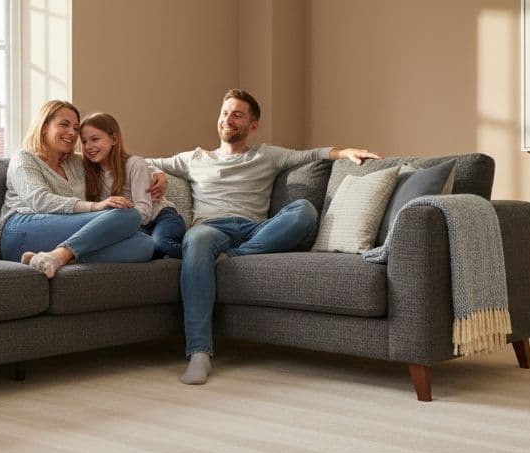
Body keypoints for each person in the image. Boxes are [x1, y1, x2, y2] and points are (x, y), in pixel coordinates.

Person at [147, 89, 380, 385]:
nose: (228, 119)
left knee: (304, 210)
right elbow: (141, 161)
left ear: (253, 125)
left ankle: (232, 257)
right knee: (196, 240)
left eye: (237, 115)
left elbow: (312, 154)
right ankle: (199, 352)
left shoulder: (266, 155)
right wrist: (159, 173)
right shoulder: (195, 158)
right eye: (225, 113)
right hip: (210, 228)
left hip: (254, 229)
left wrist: (345, 152)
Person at [0, 100, 153, 278]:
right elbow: (40, 200)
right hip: (20, 231)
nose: (72, 133)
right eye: (64, 125)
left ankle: (55, 257)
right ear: (44, 127)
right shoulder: (24, 157)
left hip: (61, 233)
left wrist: (157, 172)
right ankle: (61, 256)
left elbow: (114, 159)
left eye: (75, 128)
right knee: (129, 214)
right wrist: (94, 206)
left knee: (144, 244)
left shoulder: (75, 162)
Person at [79, 112, 186, 258]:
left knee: (160, 244)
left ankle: (199, 252)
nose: (88, 146)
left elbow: (144, 213)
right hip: (134, 224)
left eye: (95, 139)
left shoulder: (134, 164)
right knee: (138, 248)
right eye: (84, 141)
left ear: (114, 139)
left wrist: (118, 222)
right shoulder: (89, 171)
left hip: (162, 218)